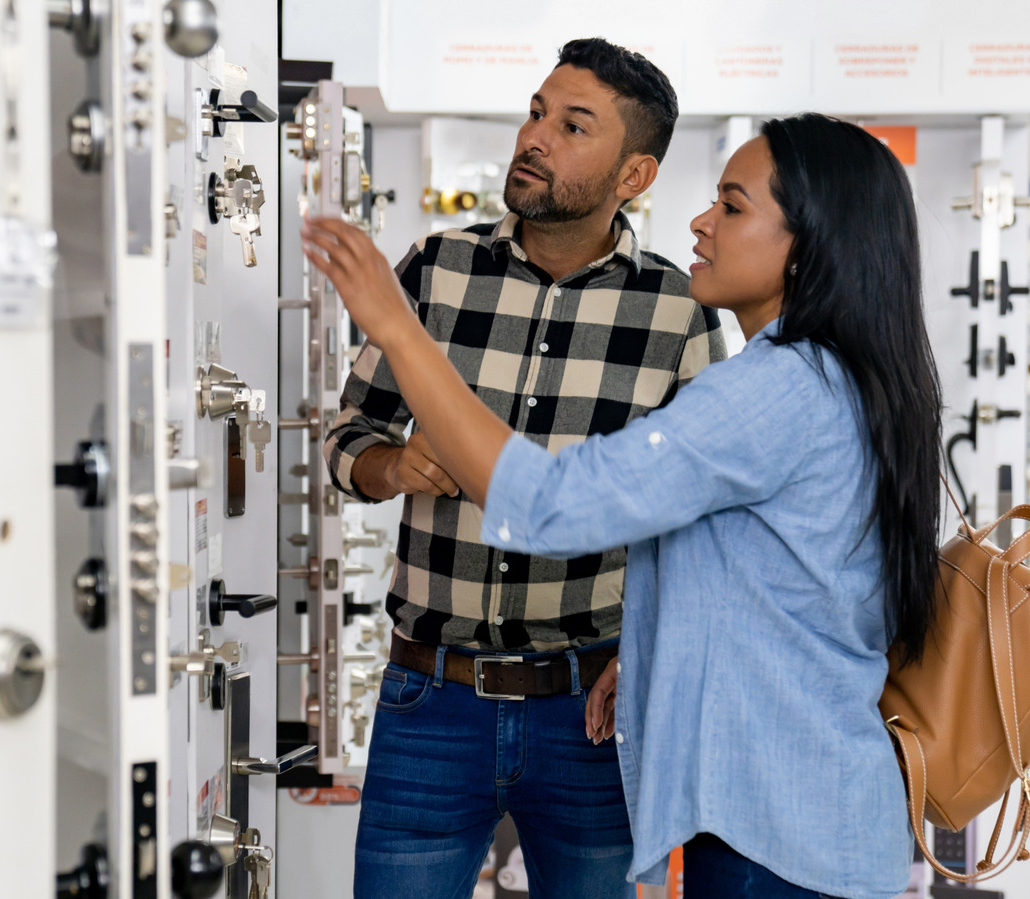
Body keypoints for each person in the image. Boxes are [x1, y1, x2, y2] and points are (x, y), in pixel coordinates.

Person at [305, 113, 943, 899]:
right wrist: (647, 651)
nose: (701, 222)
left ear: (806, 245)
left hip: (776, 838)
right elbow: (776, 585)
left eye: (733, 207)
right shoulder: (836, 377)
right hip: (803, 821)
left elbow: (551, 505)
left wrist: (400, 330)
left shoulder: (773, 389)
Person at [322, 38, 725, 899]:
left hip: (591, 714)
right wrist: (393, 466)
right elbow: (346, 438)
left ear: (634, 176)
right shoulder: (436, 269)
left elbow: (698, 517)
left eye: (574, 126)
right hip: (429, 699)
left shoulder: (678, 311)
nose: (535, 136)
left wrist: (652, 643)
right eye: (537, 111)